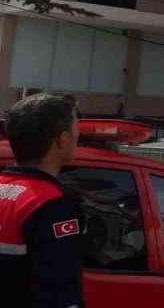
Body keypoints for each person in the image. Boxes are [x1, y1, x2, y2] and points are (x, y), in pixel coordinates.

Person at [0, 94, 84, 308]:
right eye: (76, 127)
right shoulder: (53, 205)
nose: (78, 135)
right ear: (62, 139)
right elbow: (59, 292)